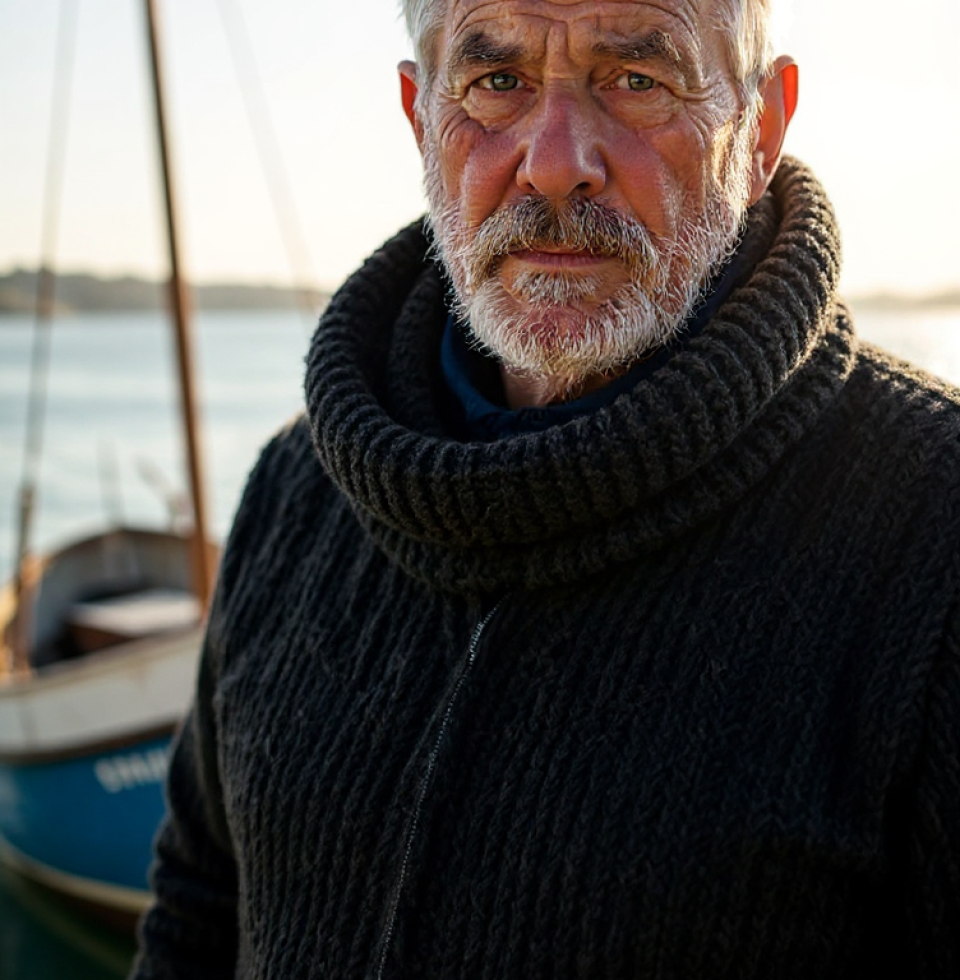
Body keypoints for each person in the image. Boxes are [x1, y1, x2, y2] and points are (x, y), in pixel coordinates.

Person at [131, 0, 960, 977]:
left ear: (763, 126)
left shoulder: (931, 531)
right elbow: (196, 913)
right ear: (419, 117)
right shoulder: (295, 490)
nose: (555, 160)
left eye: (637, 80)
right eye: (497, 82)